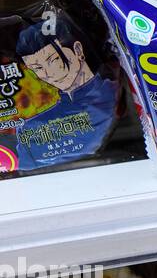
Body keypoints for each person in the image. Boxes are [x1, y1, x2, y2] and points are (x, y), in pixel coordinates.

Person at [11, 13, 118, 173]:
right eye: (37, 68)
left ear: (77, 50)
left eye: (52, 60)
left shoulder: (110, 91)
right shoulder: (37, 111)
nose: (47, 74)